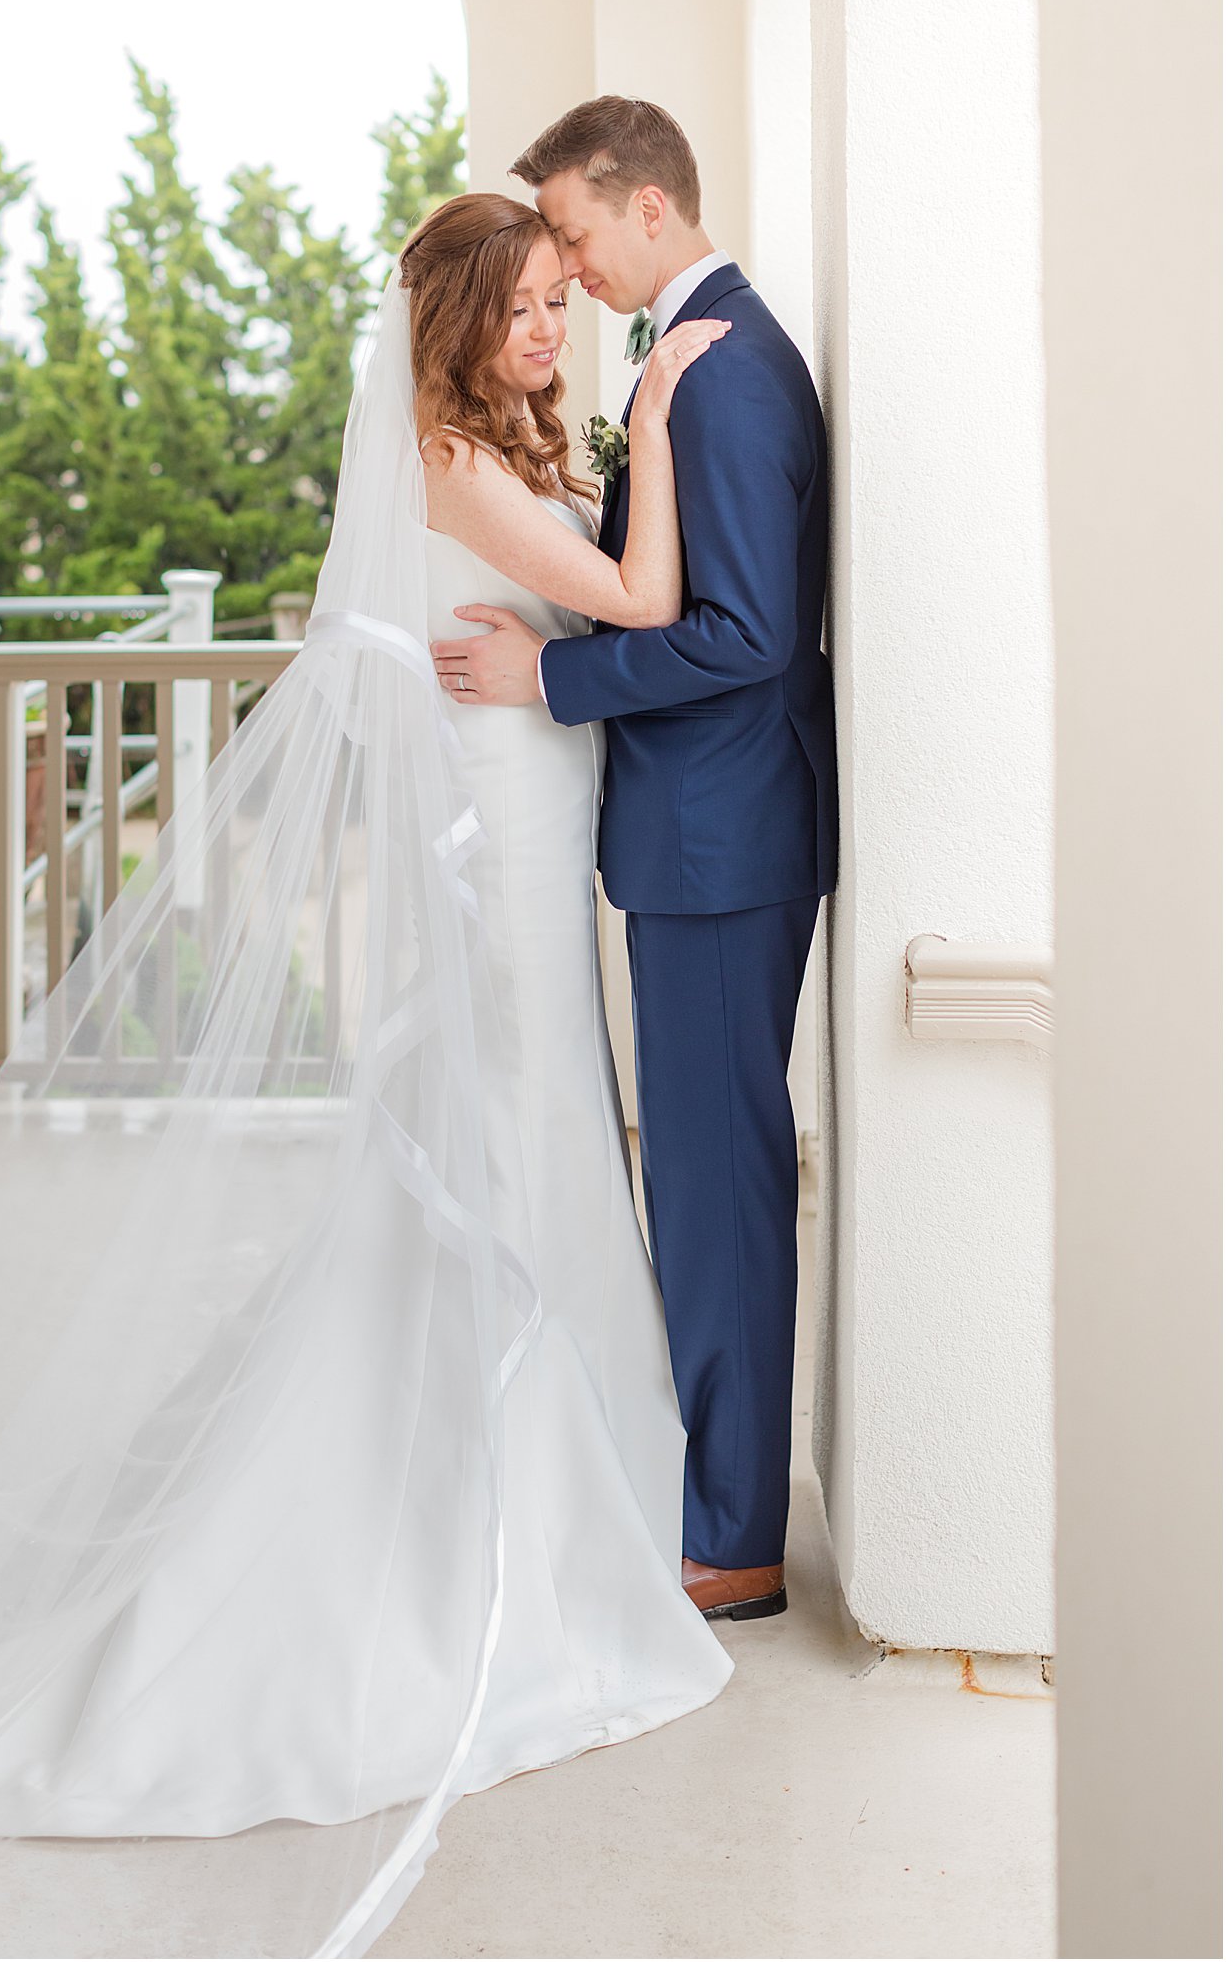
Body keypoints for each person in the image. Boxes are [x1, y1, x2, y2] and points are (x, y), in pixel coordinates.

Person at [0, 193, 734, 1961]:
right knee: (523, 1140)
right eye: (534, 308)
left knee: (543, 1137)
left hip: (535, 806)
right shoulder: (446, 456)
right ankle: (517, 1529)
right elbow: (643, 595)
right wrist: (650, 427)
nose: (557, 333)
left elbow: (582, 616)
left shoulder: (489, 444)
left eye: (570, 305)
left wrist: (567, 597)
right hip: (499, 847)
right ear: (463, 318)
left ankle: (589, 1501)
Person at [431, 99, 839, 1624]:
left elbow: (736, 634)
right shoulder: (698, 356)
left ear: (649, 209)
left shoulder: (720, 372)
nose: (576, 273)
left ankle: (729, 1538)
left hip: (722, 837)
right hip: (707, 831)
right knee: (702, 1169)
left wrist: (553, 681)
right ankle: (706, 1495)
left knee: (718, 1182)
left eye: (581, 240)